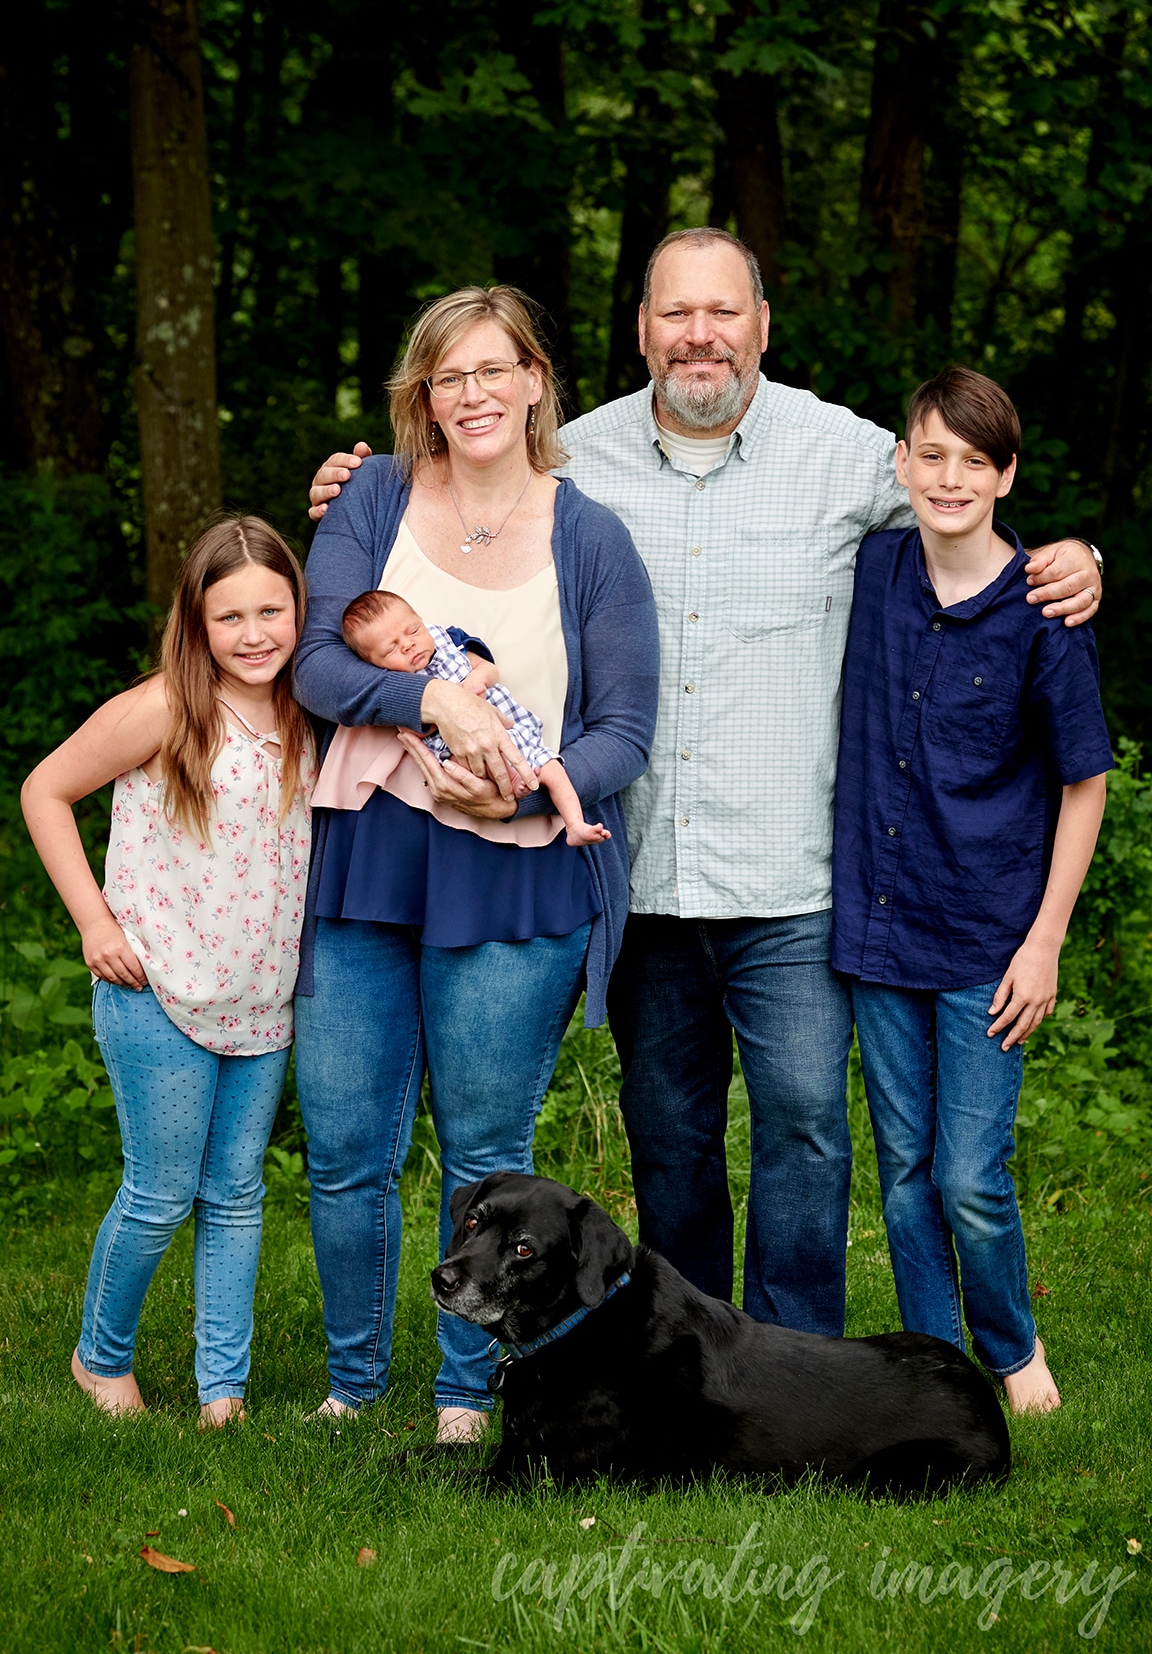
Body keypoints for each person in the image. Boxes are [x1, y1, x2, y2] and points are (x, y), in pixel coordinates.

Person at [308, 229, 1101, 1339]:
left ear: (760, 326)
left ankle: (794, 1354)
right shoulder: (568, 463)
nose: (699, 336)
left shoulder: (846, 454)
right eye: (676, 314)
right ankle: (683, 1361)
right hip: (645, 872)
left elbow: (956, 494)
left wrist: (1068, 556)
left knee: (806, 1129)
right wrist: (363, 483)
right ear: (641, 330)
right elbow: (449, 493)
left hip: (793, 879)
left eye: (723, 313)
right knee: (668, 1137)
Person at [293, 285, 658, 1438]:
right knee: (349, 1143)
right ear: (424, 398)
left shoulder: (589, 534)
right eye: (450, 377)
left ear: (537, 381)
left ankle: (467, 1388)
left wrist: (509, 784)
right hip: (368, 860)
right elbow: (312, 664)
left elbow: (625, 733)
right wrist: (434, 699)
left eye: (495, 370)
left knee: (488, 1153)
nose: (474, 393)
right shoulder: (375, 499)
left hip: (514, 869)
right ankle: (353, 1383)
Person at [831, 367, 1112, 1413]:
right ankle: (930, 1369)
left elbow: (1084, 785)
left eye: (973, 460)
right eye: (930, 455)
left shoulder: (1044, 611)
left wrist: (1044, 943)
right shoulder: (869, 570)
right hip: (877, 924)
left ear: (1005, 475)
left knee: (969, 1180)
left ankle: (1009, 1348)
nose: (949, 478)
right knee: (902, 1172)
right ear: (901, 463)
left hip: (990, 936)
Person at [20, 518, 314, 1427]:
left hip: (260, 1000)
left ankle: (221, 1389)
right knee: (159, 1195)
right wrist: (93, 920)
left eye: (273, 609)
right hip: (160, 990)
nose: (255, 632)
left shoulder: (309, 710)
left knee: (234, 1197)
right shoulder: (164, 707)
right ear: (197, 623)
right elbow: (45, 790)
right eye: (231, 617)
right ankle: (98, 1357)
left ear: (301, 609)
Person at [313, 588, 610, 846]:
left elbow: (489, 669)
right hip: (463, 752)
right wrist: (437, 711)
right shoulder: (393, 683)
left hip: (515, 730)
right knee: (462, 769)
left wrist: (475, 682)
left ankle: (575, 825)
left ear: (420, 618)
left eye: (413, 630)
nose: (408, 645)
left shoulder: (451, 640)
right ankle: (509, 779)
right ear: (374, 663)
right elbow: (412, 731)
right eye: (391, 648)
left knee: (554, 770)